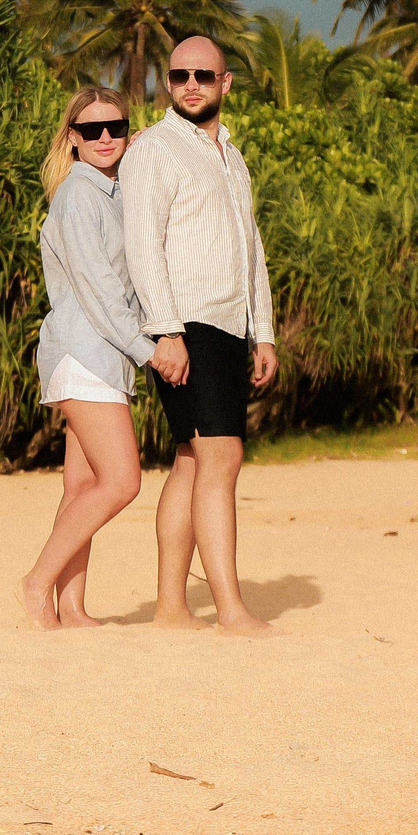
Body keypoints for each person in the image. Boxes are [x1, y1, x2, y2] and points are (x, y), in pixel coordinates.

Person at [120, 34, 279, 636]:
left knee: (190, 460)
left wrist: (262, 332)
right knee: (221, 455)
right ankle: (232, 610)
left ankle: (170, 609)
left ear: (225, 83)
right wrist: (165, 332)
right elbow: (143, 249)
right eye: (180, 74)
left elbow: (250, 250)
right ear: (167, 83)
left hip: (229, 325)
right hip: (187, 322)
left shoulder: (230, 157)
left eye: (203, 75)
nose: (191, 83)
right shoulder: (154, 151)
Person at [17, 86, 156, 630]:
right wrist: (151, 352)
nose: (105, 138)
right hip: (86, 353)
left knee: (81, 488)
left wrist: (141, 144)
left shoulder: (107, 189)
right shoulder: (78, 197)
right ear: (72, 138)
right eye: (92, 130)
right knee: (123, 481)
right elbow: (101, 291)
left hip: (95, 356)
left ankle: (70, 607)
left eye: (116, 128)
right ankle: (35, 584)